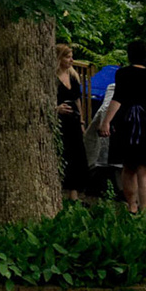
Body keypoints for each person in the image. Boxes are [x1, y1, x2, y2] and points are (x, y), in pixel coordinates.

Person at [98, 40, 146, 214]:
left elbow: (118, 99)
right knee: (145, 171)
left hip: (126, 124)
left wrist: (106, 122)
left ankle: (132, 207)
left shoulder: (124, 73)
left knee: (128, 167)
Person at [55, 44, 93, 200]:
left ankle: (74, 195)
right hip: (60, 120)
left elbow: (77, 99)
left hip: (74, 120)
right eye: (67, 57)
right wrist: (56, 109)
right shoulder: (52, 77)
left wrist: (81, 121)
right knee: (64, 153)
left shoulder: (73, 76)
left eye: (72, 57)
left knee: (77, 155)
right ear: (59, 58)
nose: (71, 60)